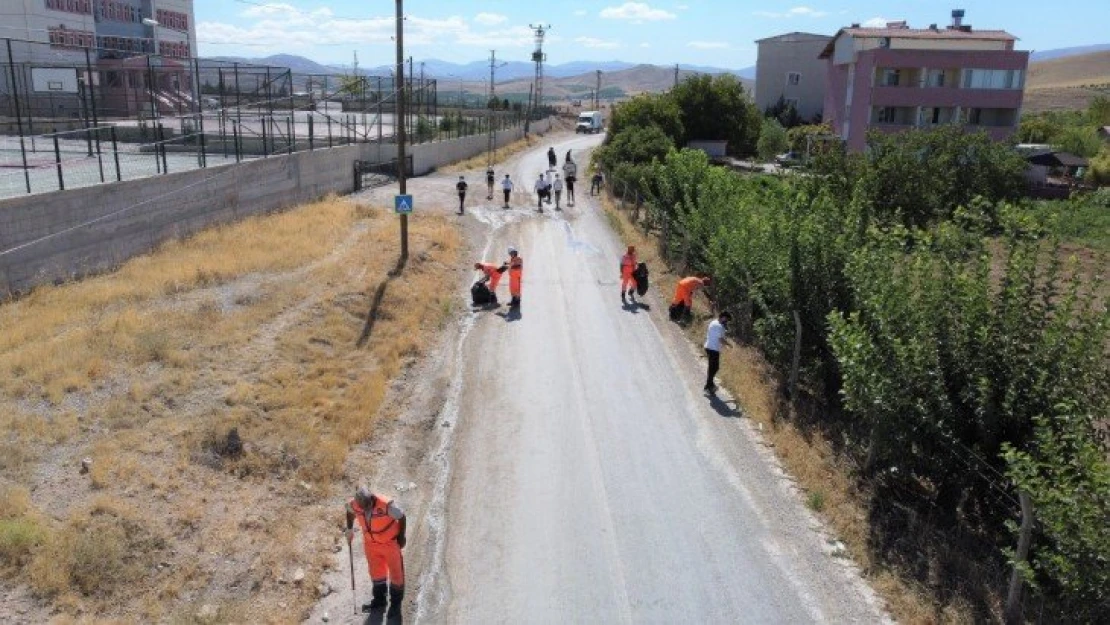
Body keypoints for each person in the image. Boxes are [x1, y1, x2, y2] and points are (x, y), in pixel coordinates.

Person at [346, 486, 407, 618]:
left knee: (396, 575)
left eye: (368, 506)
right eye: (363, 508)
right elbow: (349, 512)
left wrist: (402, 537)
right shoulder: (356, 504)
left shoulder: (386, 505)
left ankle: (395, 606)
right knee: (376, 573)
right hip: (371, 545)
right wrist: (349, 529)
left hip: (389, 543)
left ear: (372, 498)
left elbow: (402, 517)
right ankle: (379, 601)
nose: (366, 510)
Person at [703, 312, 731, 393]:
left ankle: (709, 385)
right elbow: (721, 339)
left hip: (710, 347)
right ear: (723, 317)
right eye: (727, 320)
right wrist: (729, 345)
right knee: (714, 368)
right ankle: (708, 386)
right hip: (713, 349)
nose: (727, 322)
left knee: (713, 367)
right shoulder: (719, 326)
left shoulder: (714, 322)